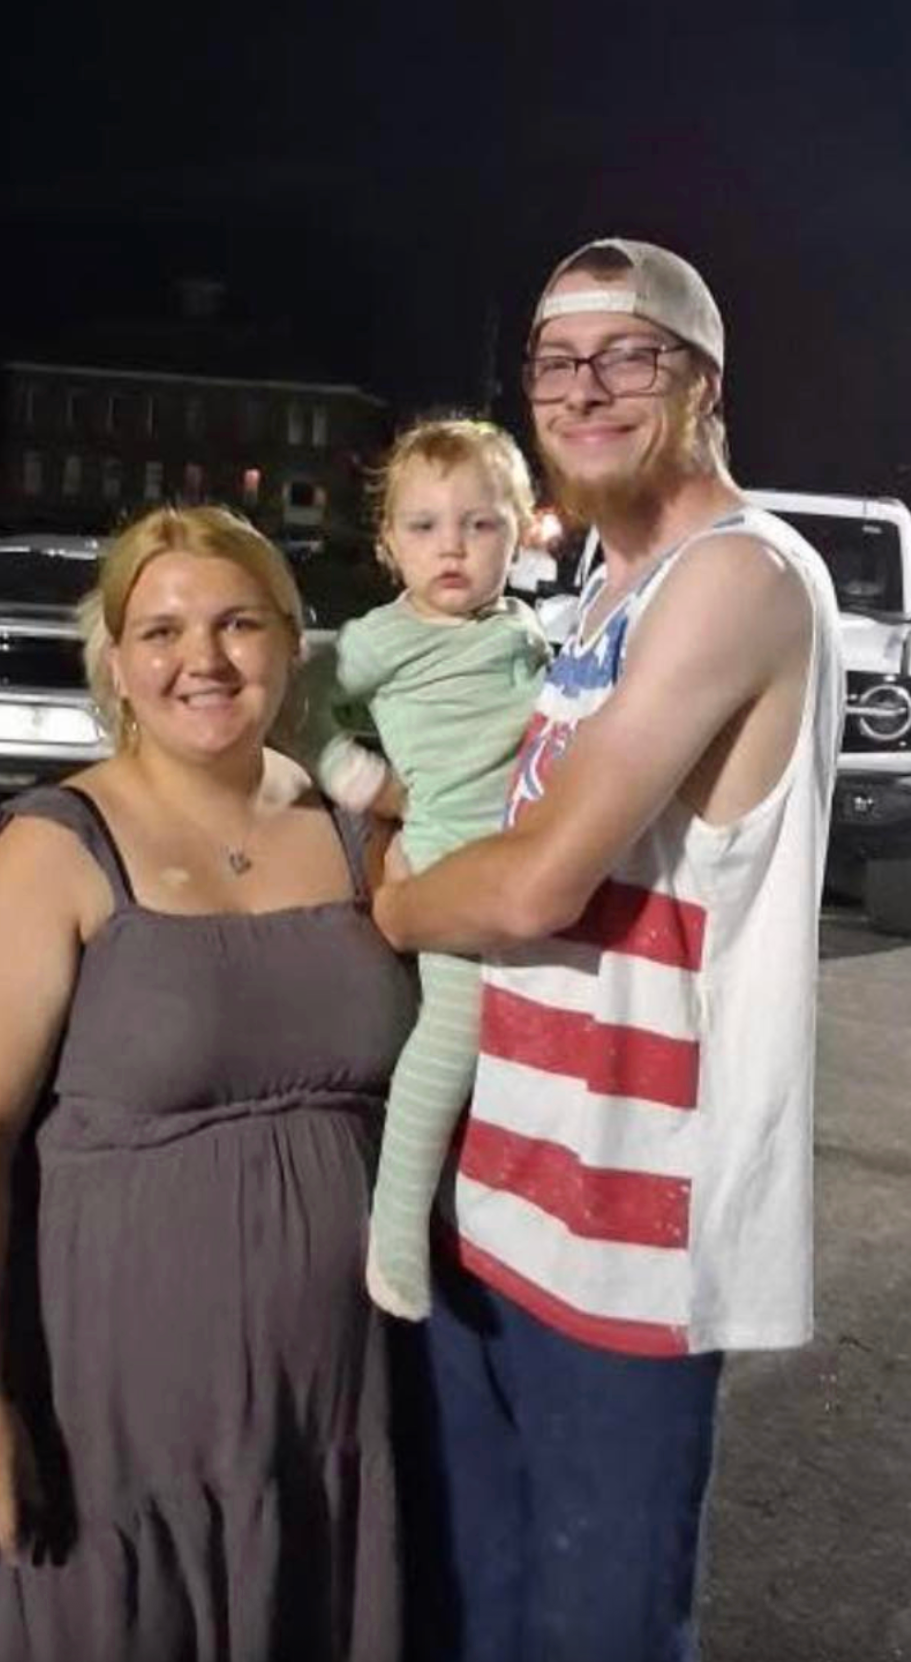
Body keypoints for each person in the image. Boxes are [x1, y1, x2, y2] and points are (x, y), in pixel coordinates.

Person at [372, 238, 846, 1662]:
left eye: (626, 356)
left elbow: (533, 884)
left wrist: (395, 905)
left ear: (703, 383)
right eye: (553, 361)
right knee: (472, 1608)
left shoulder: (738, 575)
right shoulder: (593, 591)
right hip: (499, 1186)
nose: (581, 390)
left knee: (595, 1629)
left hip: (625, 1226)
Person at [0, 506, 421, 1662]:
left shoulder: (359, 834)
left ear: (290, 640)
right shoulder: (53, 852)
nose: (204, 659)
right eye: (161, 631)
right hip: (113, 1422)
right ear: (117, 662)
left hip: (334, 1415)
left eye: (238, 623)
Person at [301, 417, 550, 1322]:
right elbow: (299, 704)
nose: (453, 547)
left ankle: (494, 1213)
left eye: (480, 525)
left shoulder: (520, 626)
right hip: (450, 862)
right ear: (387, 543)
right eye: (425, 526)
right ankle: (395, 1232)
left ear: (520, 535)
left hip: (532, 857)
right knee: (453, 1035)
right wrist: (365, 783)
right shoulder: (381, 638)